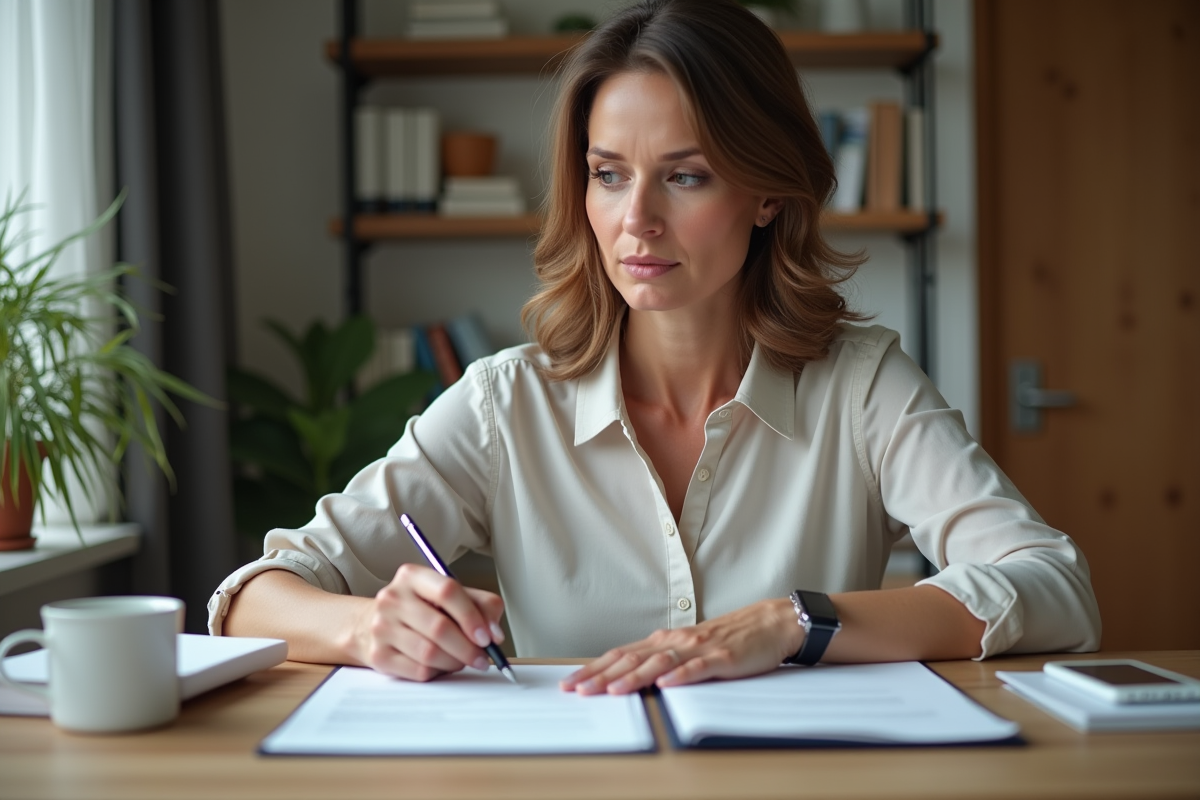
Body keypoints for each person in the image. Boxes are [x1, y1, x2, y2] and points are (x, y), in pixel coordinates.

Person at [212, 0, 1100, 695]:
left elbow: (1054, 587)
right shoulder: (504, 403)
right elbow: (253, 596)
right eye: (608, 175)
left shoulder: (860, 385)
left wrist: (795, 624)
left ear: (767, 193)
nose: (636, 220)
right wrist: (370, 628)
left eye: (685, 175)